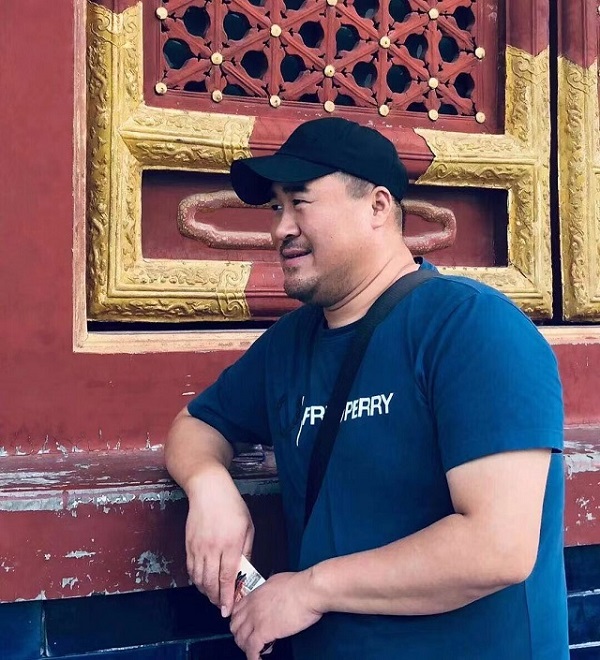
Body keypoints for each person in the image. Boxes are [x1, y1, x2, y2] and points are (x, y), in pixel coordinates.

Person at [165, 117, 568, 660]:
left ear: (377, 206)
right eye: (276, 209)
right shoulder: (290, 344)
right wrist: (209, 486)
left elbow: (498, 547)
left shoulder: (471, 327)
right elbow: (197, 424)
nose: (280, 229)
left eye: (300, 202)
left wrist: (311, 589)